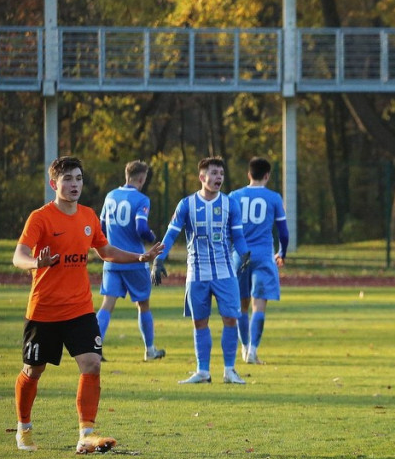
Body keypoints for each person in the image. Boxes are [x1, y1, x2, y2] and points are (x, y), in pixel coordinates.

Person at [13, 156, 163, 453]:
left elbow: (105, 250)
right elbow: (18, 256)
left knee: (92, 364)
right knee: (33, 370)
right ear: (53, 183)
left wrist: (141, 257)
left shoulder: (88, 216)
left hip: (80, 308)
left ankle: (86, 434)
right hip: (44, 310)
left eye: (79, 178)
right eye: (68, 179)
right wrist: (35, 262)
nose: (74, 184)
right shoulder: (40, 218)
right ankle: (24, 428)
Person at [155, 156, 251, 385]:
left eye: (221, 173)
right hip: (196, 274)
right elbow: (170, 235)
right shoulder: (186, 204)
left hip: (225, 273)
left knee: (231, 319)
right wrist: (158, 260)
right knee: (200, 322)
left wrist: (245, 253)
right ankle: (203, 371)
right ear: (202, 177)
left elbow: (237, 235)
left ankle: (229, 370)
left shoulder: (230, 204)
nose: (219, 177)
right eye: (214, 173)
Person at [96, 160, 166, 361]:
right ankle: (150, 350)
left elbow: (100, 227)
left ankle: (95, 348)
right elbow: (141, 228)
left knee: (107, 304)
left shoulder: (110, 196)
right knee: (143, 304)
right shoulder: (142, 199)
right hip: (135, 259)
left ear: (126, 175)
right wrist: (154, 240)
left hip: (111, 259)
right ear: (142, 179)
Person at [229, 156, 289, 365]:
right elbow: (283, 232)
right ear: (267, 176)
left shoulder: (234, 196)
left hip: (240, 256)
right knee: (259, 304)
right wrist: (282, 252)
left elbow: (227, 229)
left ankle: (244, 348)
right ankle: (253, 350)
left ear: (249, 175)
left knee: (241, 306)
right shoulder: (273, 198)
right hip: (263, 256)